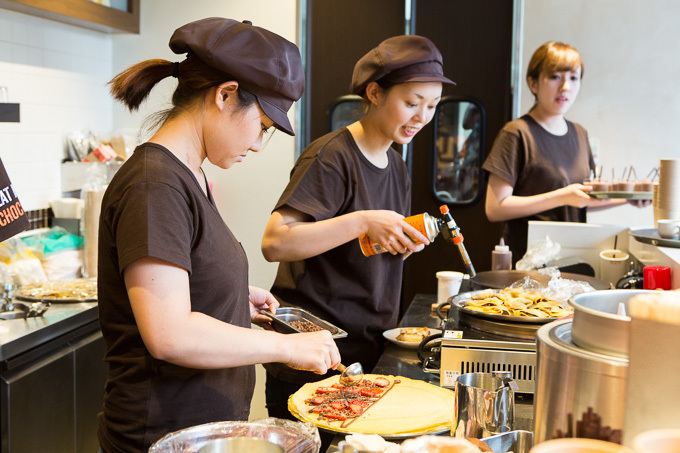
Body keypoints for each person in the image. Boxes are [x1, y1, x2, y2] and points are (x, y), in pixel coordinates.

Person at [97, 18, 340, 453]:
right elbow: (170, 335)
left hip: (200, 433)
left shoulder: (190, 175)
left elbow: (181, 278)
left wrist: (228, 295)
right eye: (262, 125)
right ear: (225, 95)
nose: (257, 144)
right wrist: (286, 349)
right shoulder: (155, 184)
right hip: (159, 436)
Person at [260, 35, 455, 424]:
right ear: (375, 93)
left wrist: (400, 240)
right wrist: (363, 220)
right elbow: (275, 241)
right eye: (412, 102)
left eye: (432, 106)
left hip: (368, 347)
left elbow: (361, 246)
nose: (421, 116)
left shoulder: (396, 164)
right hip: (316, 354)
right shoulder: (332, 156)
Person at [482, 41, 636, 263]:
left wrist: (629, 199)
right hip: (529, 262)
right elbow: (495, 209)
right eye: (555, 77)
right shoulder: (516, 133)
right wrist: (562, 196)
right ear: (533, 83)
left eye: (573, 78)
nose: (566, 87)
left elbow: (582, 200)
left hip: (575, 258)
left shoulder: (579, 134)